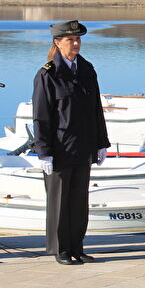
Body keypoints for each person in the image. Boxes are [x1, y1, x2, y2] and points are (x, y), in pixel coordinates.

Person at [32, 20, 110, 265]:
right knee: (60, 202)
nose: (76, 44)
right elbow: (41, 115)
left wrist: (101, 142)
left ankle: (77, 245)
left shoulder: (86, 69)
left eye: (78, 39)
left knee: (78, 200)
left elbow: (96, 108)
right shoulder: (48, 73)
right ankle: (61, 249)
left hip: (84, 145)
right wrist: (43, 151)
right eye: (70, 40)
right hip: (60, 148)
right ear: (57, 43)